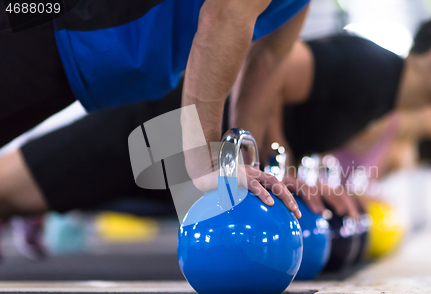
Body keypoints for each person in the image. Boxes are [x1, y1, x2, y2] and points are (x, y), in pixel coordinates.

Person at [0, 5, 431, 225]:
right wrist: (206, 153)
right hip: (48, 18)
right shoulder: (369, 72)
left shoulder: (376, 85)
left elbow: (268, 66)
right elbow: (229, 22)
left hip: (109, 72)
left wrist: (279, 175)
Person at [0, 0, 312, 220]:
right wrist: (203, 161)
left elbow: (268, 61)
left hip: (79, 50)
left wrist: (249, 171)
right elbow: (223, 15)